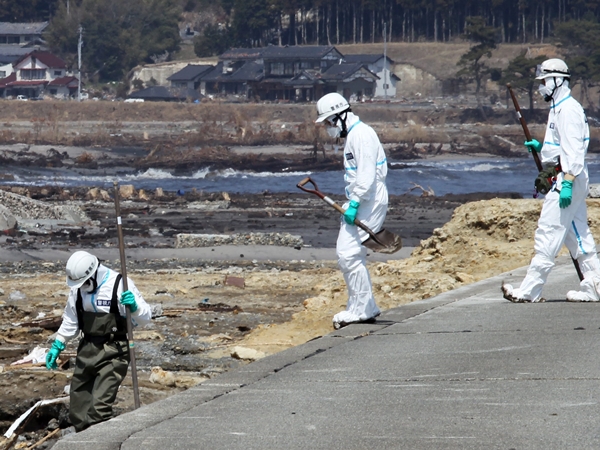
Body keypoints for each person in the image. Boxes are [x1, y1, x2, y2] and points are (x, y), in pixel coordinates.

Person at [502, 58, 600, 303]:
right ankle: (595, 286)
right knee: (578, 236)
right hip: (568, 176)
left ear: (558, 80)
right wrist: (542, 148)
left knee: (548, 231)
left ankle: (530, 291)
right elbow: (560, 146)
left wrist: (566, 182)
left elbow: (575, 151)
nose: (541, 87)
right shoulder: (558, 108)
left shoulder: (568, 110)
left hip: (568, 178)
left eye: (545, 81)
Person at [46, 250, 152, 431]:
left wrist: (134, 307)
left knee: (99, 408)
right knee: (78, 407)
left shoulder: (119, 285)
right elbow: (71, 319)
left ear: (93, 273)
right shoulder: (78, 290)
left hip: (114, 351)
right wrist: (59, 343)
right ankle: (83, 438)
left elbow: (144, 317)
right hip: (87, 349)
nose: (82, 286)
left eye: (85, 282)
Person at [315, 92, 388, 328]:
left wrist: (354, 203)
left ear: (339, 116)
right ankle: (364, 307)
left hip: (369, 199)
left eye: (328, 122)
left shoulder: (362, 135)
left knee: (349, 254)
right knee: (351, 255)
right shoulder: (355, 135)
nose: (328, 128)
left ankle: (361, 310)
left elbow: (366, 176)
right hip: (363, 199)